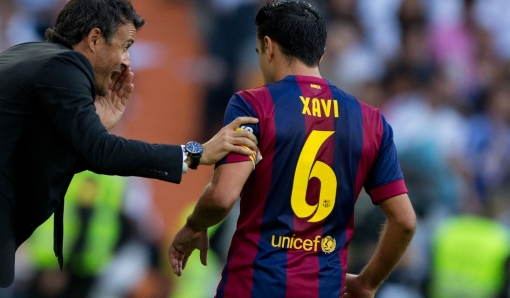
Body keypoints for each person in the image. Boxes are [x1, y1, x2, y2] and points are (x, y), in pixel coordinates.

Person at [0, 0, 258, 288]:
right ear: (95, 39)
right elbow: (101, 153)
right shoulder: (65, 68)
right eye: (125, 46)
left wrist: (93, 130)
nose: (125, 61)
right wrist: (195, 153)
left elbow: (38, 157)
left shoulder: (31, 56)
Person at [168, 1, 416, 298]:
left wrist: (194, 226)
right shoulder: (372, 121)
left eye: (258, 52)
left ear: (268, 47)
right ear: (320, 54)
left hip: (253, 286)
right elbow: (404, 221)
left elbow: (223, 197)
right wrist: (367, 282)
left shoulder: (253, 105)